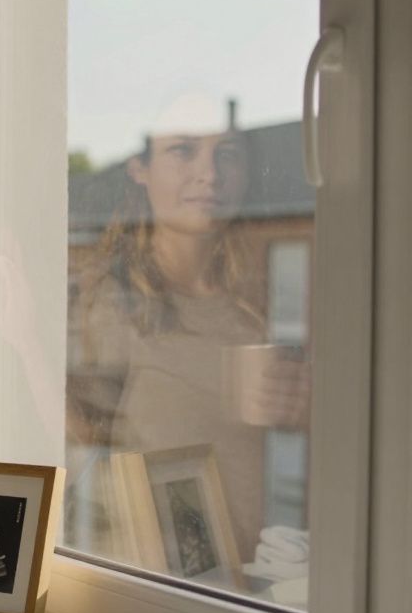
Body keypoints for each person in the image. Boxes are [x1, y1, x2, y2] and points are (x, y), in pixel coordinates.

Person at [67, 103, 311, 566]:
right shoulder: (110, 300)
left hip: (242, 577)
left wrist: (307, 410)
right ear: (140, 170)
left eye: (228, 154)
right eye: (183, 150)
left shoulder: (252, 306)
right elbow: (81, 434)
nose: (210, 174)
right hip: (143, 578)